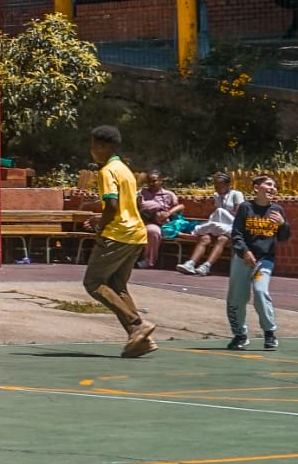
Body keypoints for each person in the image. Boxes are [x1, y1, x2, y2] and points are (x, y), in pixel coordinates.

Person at [84, 125, 161, 356]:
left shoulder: (107, 171)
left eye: (94, 146)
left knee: (94, 283)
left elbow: (112, 205)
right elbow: (133, 204)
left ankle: (138, 325)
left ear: (103, 147)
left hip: (118, 234)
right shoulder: (125, 169)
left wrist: (100, 226)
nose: (92, 151)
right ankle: (140, 339)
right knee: (117, 285)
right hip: (136, 234)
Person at [226, 173, 289, 350]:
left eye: (274, 186)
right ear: (256, 188)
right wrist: (245, 252)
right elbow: (236, 234)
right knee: (236, 299)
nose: (272, 188)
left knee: (261, 291)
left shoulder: (277, 210)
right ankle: (240, 335)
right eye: (268, 184)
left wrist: (283, 224)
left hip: (264, 260)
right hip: (243, 259)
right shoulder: (246, 208)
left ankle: (270, 334)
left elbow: (283, 237)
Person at [177, 171, 246, 276]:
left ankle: (206, 266)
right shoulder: (216, 196)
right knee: (205, 238)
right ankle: (191, 263)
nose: (217, 188)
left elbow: (238, 214)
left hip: (232, 225)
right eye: (216, 186)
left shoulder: (236, 194)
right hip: (219, 225)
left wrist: (222, 212)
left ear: (228, 185)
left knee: (222, 238)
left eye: (220, 186)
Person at [136, 170, 184, 269]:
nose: (151, 184)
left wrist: (168, 213)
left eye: (154, 181)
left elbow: (180, 207)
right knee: (153, 231)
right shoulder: (141, 193)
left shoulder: (169, 194)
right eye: (149, 181)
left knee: (164, 230)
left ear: (160, 181)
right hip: (148, 221)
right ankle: (149, 261)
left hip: (165, 222)